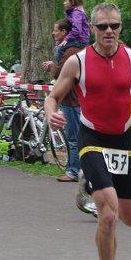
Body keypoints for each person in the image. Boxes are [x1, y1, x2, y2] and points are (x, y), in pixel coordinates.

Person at [45, 3, 131, 260]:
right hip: (91, 138)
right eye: (102, 26)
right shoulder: (77, 62)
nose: (109, 31)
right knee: (107, 214)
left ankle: (93, 184)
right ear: (92, 28)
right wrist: (52, 114)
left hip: (122, 140)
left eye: (114, 25)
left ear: (120, 27)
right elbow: (52, 97)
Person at [41, 18, 84, 182]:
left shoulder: (70, 51)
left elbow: (61, 74)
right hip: (70, 98)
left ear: (65, 32)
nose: (53, 33)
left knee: (73, 137)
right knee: (73, 136)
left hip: (72, 99)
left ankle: (74, 171)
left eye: (56, 30)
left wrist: (53, 67)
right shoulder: (67, 50)